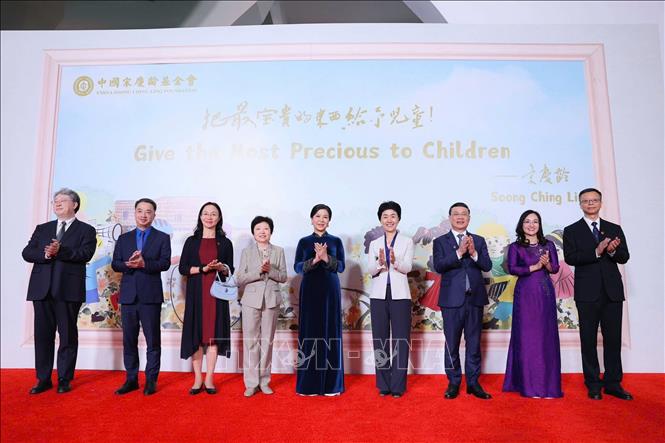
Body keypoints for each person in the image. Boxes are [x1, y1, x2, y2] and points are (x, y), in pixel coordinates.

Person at [22, 188, 97, 394]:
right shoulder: (43, 228)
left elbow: (85, 254)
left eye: (62, 200)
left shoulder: (86, 230)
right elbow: (27, 252)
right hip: (42, 289)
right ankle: (43, 379)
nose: (57, 203)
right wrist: (46, 254)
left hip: (68, 290)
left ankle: (64, 378)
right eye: (55, 201)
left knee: (67, 336)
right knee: (42, 336)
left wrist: (60, 251)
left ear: (75, 204)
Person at [563, 188, 632, 400]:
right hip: (587, 293)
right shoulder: (571, 230)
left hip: (612, 293)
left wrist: (612, 250)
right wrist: (597, 251)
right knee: (588, 340)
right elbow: (571, 258)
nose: (590, 203)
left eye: (594, 200)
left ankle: (613, 383)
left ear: (601, 203)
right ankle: (593, 383)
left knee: (613, 339)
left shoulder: (614, 228)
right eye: (586, 201)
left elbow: (624, 257)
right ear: (580, 204)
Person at [111, 198, 171, 396]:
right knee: (129, 340)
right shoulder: (124, 239)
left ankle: (151, 380)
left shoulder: (162, 238)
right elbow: (115, 264)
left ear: (154, 215)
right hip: (128, 296)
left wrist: (145, 264)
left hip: (150, 296)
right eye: (140, 211)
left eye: (148, 211)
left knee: (153, 340)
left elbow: (164, 263)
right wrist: (127, 264)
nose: (144, 215)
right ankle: (131, 379)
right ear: (135, 213)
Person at [433, 202, 492, 399]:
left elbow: (487, 265)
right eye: (456, 214)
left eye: (464, 214)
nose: (460, 217)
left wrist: (473, 253)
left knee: (474, 343)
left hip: (474, 299)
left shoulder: (479, 240)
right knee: (452, 343)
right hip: (451, 301)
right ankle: (454, 382)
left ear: (469, 218)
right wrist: (459, 252)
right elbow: (439, 266)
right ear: (450, 218)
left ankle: (473, 383)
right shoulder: (440, 241)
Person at [503, 210, 563, 398]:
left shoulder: (549, 245)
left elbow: (555, 268)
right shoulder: (515, 247)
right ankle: (529, 385)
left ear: (540, 224)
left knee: (546, 336)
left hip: (545, 294)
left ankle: (548, 385)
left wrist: (546, 265)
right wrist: (535, 267)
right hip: (525, 294)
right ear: (521, 225)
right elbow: (512, 268)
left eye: (535, 221)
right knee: (527, 337)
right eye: (527, 221)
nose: (531, 225)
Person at [179, 202, 234, 395]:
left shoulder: (225, 242)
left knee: (213, 336)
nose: (209, 217)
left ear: (219, 218)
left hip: (217, 295)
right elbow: (183, 268)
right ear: (200, 216)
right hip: (196, 293)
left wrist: (221, 267)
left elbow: (230, 269)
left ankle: (209, 378)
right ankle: (197, 379)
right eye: (206, 213)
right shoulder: (191, 241)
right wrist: (203, 269)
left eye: (213, 214)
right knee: (196, 335)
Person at [294, 204, 345, 396]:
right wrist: (315, 259)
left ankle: (332, 385)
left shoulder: (336, 241)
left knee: (331, 333)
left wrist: (326, 258)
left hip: (330, 292)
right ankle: (309, 386)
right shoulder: (304, 242)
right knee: (309, 334)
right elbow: (298, 267)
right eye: (318, 216)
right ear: (311, 219)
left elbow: (341, 267)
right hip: (310, 291)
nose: (321, 220)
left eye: (325, 217)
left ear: (329, 221)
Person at [367, 201, 414, 398]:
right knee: (380, 340)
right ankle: (383, 384)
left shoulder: (407, 242)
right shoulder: (374, 244)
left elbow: (407, 268)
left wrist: (395, 261)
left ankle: (398, 386)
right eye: (385, 216)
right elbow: (371, 271)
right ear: (380, 220)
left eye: (393, 216)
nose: (389, 220)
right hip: (378, 296)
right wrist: (380, 264)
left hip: (400, 296)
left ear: (399, 219)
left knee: (401, 340)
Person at [236, 216, 287, 397]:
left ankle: (264, 381)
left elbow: (283, 277)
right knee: (251, 342)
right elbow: (240, 279)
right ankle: (251, 383)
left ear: (271, 232)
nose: (262, 232)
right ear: (253, 232)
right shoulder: (246, 252)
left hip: (271, 300)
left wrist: (270, 270)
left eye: (266, 228)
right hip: (250, 301)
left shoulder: (279, 251)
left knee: (267, 342)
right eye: (258, 229)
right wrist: (259, 271)